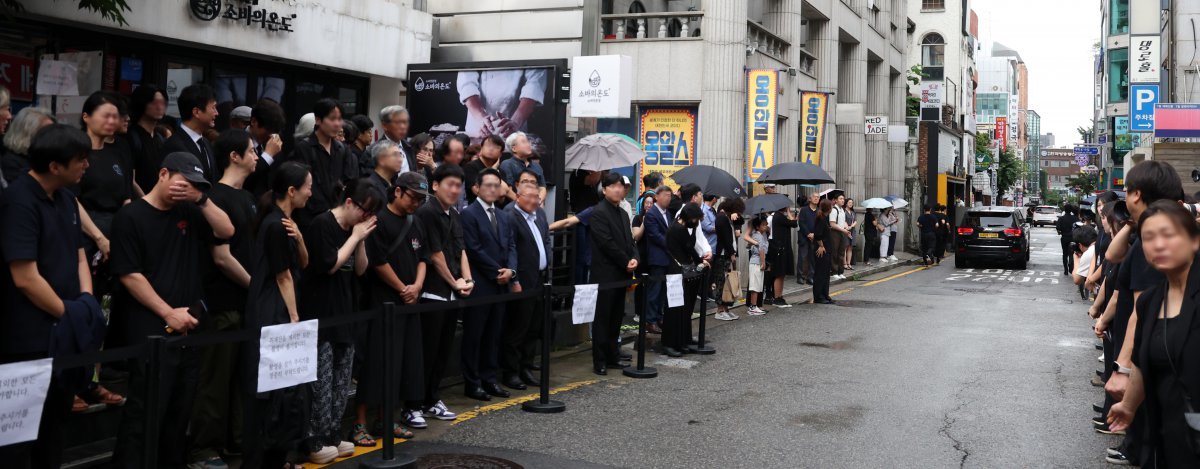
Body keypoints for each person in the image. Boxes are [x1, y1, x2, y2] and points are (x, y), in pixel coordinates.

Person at [108, 152, 235, 469]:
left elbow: (227, 231)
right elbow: (129, 275)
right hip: (149, 328)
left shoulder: (191, 211)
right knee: (145, 413)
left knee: (179, 415)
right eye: (184, 182)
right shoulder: (131, 216)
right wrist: (167, 313)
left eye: (196, 185)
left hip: (190, 328)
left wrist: (201, 199)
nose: (188, 189)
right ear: (163, 173)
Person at [0, 124, 96, 469]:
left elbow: (79, 255)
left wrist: (86, 303)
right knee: (17, 442)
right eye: (80, 159)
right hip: (27, 340)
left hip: (64, 333)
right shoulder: (18, 200)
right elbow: (24, 277)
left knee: (54, 433)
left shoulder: (68, 198)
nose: (86, 165)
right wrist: (69, 313)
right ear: (55, 166)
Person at [1100, 160, 1184, 464]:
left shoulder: (1158, 241)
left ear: (1135, 195)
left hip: (1155, 362)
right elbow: (1113, 255)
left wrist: (1122, 370)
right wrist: (1134, 223)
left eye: (1127, 191)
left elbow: (1142, 311)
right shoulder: (1163, 229)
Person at [1107, 200, 1200, 468]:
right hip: (1164, 438)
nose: (1158, 245)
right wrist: (1128, 406)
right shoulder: (1150, 301)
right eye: (1148, 237)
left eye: (1168, 235)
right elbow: (1142, 363)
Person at [296, 178, 381, 463]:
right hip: (320, 312)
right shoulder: (323, 224)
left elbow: (360, 270)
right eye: (364, 211)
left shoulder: (354, 230)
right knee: (320, 380)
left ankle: (333, 433)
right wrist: (355, 237)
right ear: (349, 203)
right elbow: (330, 264)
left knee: (342, 379)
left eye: (371, 215)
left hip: (346, 311)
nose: (366, 218)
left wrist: (360, 241)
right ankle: (314, 440)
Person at [190, 129, 259, 468]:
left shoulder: (247, 197)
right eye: (251, 151)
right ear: (234, 156)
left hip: (246, 303)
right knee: (214, 380)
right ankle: (204, 449)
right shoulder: (217, 196)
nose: (257, 156)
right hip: (222, 303)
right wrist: (254, 286)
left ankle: (235, 442)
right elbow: (221, 257)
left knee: (239, 379)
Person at [241, 161, 313, 469]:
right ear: (293, 190)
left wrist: (299, 237)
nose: (312, 193)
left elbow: (304, 264)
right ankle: (261, 460)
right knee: (271, 392)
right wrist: (295, 316)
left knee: (288, 391)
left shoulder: (287, 223)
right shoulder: (273, 224)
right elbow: (283, 276)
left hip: (282, 308)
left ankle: (278, 457)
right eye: (308, 187)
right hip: (274, 311)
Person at [361, 171, 431, 439]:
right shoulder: (379, 220)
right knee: (377, 362)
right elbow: (377, 261)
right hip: (384, 301)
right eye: (413, 197)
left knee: (402, 362)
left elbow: (424, 256)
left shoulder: (416, 221)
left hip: (411, 301)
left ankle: (386, 419)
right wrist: (403, 288)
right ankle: (360, 421)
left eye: (421, 199)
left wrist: (417, 286)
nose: (416, 203)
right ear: (398, 191)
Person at [413, 164, 472, 416]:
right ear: (435, 185)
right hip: (432, 292)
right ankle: (414, 404)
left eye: (459, 186)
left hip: (451, 292)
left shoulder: (454, 214)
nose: (455, 190)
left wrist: (468, 280)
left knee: (442, 351)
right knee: (426, 352)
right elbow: (435, 255)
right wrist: (454, 282)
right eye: (450, 184)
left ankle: (431, 399)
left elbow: (460, 250)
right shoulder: (427, 212)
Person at [459, 168, 517, 400]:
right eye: (488, 185)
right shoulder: (468, 214)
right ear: (476, 188)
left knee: (494, 334)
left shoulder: (503, 215)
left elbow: (512, 245)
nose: (493, 189)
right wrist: (496, 271)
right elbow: (473, 249)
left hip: (502, 283)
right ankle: (472, 383)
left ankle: (489, 379)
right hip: (481, 282)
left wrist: (511, 270)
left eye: (497, 185)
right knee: (475, 335)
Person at [589, 172, 639, 375]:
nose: (618, 189)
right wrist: (625, 260)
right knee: (602, 318)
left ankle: (613, 356)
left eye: (620, 186)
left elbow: (630, 241)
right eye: (613, 186)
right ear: (605, 189)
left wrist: (635, 258)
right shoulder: (598, 212)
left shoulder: (623, 213)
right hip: (605, 274)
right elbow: (606, 243)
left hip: (622, 273)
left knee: (617, 317)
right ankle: (599, 360)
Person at [501, 182, 549, 390]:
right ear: (518, 196)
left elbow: (546, 241)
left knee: (533, 326)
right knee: (517, 328)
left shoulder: (539, 216)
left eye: (536, 197)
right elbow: (509, 250)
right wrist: (515, 280)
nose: (533, 200)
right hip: (521, 280)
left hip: (539, 279)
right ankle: (510, 372)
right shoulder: (511, 216)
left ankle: (526, 367)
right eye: (528, 196)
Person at [288, 98, 358, 227]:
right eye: (332, 119)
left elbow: (349, 182)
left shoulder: (342, 149)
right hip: (310, 218)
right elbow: (302, 184)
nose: (337, 124)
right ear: (318, 120)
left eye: (339, 119)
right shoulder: (304, 148)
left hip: (338, 217)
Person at [662, 204, 708, 356]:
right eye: (695, 219)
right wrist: (702, 261)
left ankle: (680, 341)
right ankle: (671, 343)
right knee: (676, 309)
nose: (695, 222)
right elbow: (690, 247)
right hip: (677, 272)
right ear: (688, 217)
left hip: (676, 271)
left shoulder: (676, 226)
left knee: (680, 308)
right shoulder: (679, 230)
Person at [457, 68, 546, 140]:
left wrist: (516, 122)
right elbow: (466, 83)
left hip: (514, 124)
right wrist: (480, 116)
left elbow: (534, 85)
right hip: (478, 126)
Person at [161, 84, 220, 184]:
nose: (217, 113)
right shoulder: (174, 145)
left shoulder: (206, 143)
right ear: (196, 112)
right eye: (213, 108)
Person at [643, 185, 673, 334]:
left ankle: (659, 317)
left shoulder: (667, 213)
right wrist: (670, 245)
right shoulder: (651, 214)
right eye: (666, 195)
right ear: (657, 196)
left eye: (670, 195)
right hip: (657, 257)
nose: (668, 198)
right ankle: (650, 321)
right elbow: (655, 236)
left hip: (667, 257)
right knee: (654, 291)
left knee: (663, 291)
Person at [128, 85, 169, 192]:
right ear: (142, 103)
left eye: (163, 103)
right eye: (155, 102)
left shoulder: (159, 138)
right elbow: (131, 180)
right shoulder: (131, 136)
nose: (160, 107)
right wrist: (146, 202)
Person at [2, 107, 55, 184]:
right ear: (27, 134)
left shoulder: (48, 155)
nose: (53, 136)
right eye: (46, 131)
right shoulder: (11, 162)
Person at [245, 99, 286, 197]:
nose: (270, 135)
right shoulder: (239, 141)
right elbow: (244, 178)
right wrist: (268, 155)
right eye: (267, 130)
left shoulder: (274, 144)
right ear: (254, 121)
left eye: (274, 131)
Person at [763, 184, 795, 306]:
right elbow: (794, 223)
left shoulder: (776, 216)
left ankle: (779, 296)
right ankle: (777, 297)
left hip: (778, 247)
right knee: (779, 273)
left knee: (780, 274)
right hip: (778, 248)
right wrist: (789, 212)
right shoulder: (779, 216)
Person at [713, 198, 743, 321]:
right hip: (722, 254)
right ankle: (720, 309)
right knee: (721, 282)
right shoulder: (722, 218)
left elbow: (739, 221)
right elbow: (725, 238)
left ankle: (725, 308)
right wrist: (732, 253)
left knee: (726, 282)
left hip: (726, 253)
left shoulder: (726, 217)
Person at [500, 131, 546, 202]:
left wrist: (537, 202)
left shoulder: (537, 166)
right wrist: (522, 203)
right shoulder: (507, 164)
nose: (528, 145)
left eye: (528, 142)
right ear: (514, 149)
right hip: (514, 208)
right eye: (524, 142)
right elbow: (508, 189)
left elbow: (542, 188)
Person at [374, 105, 417, 174]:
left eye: (405, 122)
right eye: (398, 122)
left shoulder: (409, 148)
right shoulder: (374, 151)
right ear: (384, 125)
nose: (403, 127)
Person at [462, 134, 504, 204]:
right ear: (481, 149)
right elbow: (477, 191)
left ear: (500, 154)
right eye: (488, 145)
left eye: (496, 147)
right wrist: (493, 170)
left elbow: (502, 196)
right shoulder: (471, 166)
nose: (491, 149)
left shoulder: (501, 170)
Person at [812, 199, 835, 304]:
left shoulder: (825, 218)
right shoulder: (820, 218)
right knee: (820, 273)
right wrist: (821, 245)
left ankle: (825, 294)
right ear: (828, 208)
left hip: (827, 249)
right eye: (831, 206)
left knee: (826, 273)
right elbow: (817, 234)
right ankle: (819, 296)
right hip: (822, 250)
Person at [747, 217, 769, 315]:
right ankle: (753, 306)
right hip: (757, 261)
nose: (765, 226)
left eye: (766, 224)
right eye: (763, 225)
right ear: (757, 226)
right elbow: (761, 250)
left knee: (758, 284)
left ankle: (754, 305)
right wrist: (763, 262)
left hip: (757, 261)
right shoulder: (757, 235)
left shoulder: (761, 235)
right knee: (755, 285)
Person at [796, 192, 818, 284]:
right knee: (802, 257)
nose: (816, 198)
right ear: (810, 199)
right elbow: (802, 223)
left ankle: (810, 276)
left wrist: (815, 234)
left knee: (813, 258)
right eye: (814, 197)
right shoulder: (804, 210)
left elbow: (820, 224)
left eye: (818, 197)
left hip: (815, 237)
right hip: (804, 237)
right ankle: (800, 276)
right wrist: (808, 234)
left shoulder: (819, 211)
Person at [827, 191, 850, 279]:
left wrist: (846, 227)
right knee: (834, 252)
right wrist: (843, 230)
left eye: (843, 199)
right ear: (835, 200)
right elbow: (832, 224)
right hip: (835, 233)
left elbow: (843, 222)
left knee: (841, 252)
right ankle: (834, 272)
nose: (842, 200)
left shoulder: (842, 210)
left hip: (842, 233)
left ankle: (840, 271)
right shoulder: (834, 210)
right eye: (840, 199)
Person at [1057, 205, 1080, 275]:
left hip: (1064, 237)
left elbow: (1058, 228)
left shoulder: (1061, 218)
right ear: (1071, 211)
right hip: (1073, 238)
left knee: (1064, 254)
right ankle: (1071, 265)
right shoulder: (1075, 218)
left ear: (1064, 210)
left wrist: (1060, 232)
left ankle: (1065, 270)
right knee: (1072, 253)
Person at [843, 198, 859, 271]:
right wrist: (847, 228)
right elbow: (843, 221)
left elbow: (855, 221)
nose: (851, 204)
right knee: (845, 247)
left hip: (852, 230)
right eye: (849, 202)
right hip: (845, 230)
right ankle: (844, 264)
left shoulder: (853, 212)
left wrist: (851, 226)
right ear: (846, 203)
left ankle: (849, 263)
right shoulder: (843, 211)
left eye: (852, 202)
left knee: (850, 247)